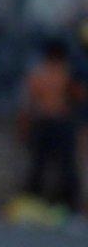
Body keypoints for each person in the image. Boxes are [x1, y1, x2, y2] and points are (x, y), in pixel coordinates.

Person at [19, 39, 86, 213]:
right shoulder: (66, 73)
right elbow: (79, 96)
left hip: (44, 123)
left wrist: (25, 127)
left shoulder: (38, 73)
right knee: (62, 166)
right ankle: (67, 202)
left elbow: (28, 104)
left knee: (42, 165)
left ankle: (34, 201)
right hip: (58, 123)